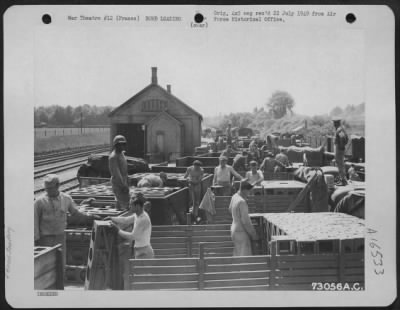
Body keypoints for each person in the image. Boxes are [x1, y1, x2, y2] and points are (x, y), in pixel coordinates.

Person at [34, 174, 100, 272]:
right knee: (46, 269)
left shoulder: (66, 199)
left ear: (57, 186)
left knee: (60, 266)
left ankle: (61, 286)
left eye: (50, 188)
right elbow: (34, 221)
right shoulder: (39, 202)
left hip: (60, 238)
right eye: (46, 188)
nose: (48, 191)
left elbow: (76, 213)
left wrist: (90, 217)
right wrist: (36, 240)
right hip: (45, 239)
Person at [229, 180, 259, 256]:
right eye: (249, 191)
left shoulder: (234, 196)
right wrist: (253, 234)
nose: (249, 194)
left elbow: (230, 209)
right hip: (241, 232)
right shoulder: (242, 202)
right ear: (245, 190)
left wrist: (236, 216)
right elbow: (245, 221)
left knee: (237, 255)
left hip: (234, 230)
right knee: (244, 258)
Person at [109, 135, 129, 210]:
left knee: (120, 204)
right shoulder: (113, 157)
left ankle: (118, 212)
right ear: (116, 145)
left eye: (124, 144)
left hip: (123, 182)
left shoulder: (121, 154)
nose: (122, 146)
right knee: (124, 204)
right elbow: (116, 174)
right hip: (118, 184)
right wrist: (123, 186)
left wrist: (127, 179)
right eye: (120, 144)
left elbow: (123, 169)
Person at [333, 118, 349, 185]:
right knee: (340, 163)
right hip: (339, 148)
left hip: (339, 149)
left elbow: (342, 138)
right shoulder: (340, 129)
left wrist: (341, 147)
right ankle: (342, 179)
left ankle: (343, 181)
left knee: (340, 164)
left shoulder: (339, 129)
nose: (333, 124)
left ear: (336, 123)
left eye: (334, 123)